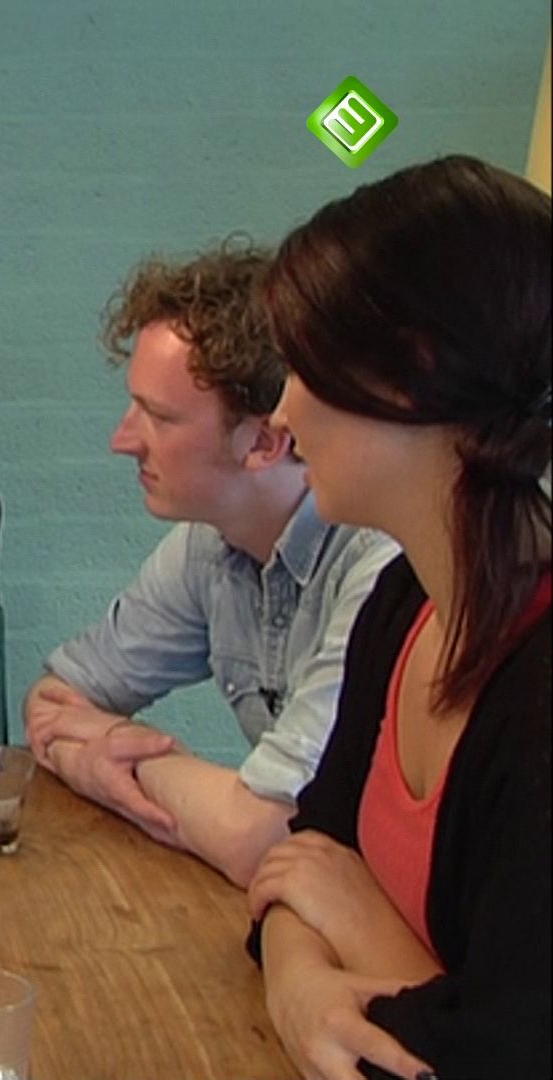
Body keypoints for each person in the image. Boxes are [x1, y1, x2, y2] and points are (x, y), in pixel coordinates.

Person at [248, 154, 551, 1080]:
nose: (283, 411)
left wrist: (359, 923)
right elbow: (303, 859)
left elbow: (503, 1051)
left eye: (306, 367)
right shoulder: (403, 602)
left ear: (414, 373)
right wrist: (303, 985)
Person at [23, 241, 396, 886]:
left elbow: (262, 835)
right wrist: (92, 761)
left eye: (159, 417)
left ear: (265, 442)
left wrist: (132, 761)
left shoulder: (381, 567)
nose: (122, 440)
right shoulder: (209, 543)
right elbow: (54, 696)